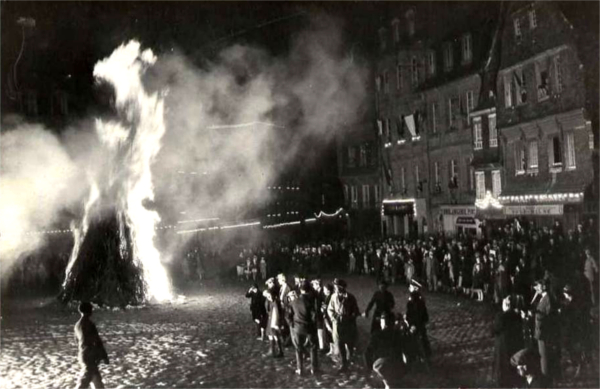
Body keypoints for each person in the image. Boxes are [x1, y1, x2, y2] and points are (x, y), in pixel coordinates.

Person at [529, 279, 561, 385]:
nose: (535, 288)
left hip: (544, 335)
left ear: (543, 287)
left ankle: (546, 381)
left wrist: (535, 316)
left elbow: (549, 318)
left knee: (544, 359)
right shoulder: (544, 297)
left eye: (537, 286)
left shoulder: (548, 299)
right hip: (542, 333)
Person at [364, 312, 406, 389]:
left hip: (382, 367)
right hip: (398, 367)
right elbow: (405, 353)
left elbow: (367, 353)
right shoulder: (398, 334)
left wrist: (370, 369)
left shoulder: (377, 335)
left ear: (383, 322)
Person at [328, 278, 361, 372]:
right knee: (340, 344)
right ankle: (344, 364)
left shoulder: (350, 297)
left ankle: (349, 360)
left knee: (350, 345)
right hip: (337, 326)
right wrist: (334, 318)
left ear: (341, 287)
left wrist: (351, 316)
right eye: (334, 287)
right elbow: (330, 309)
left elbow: (356, 310)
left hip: (348, 325)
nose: (335, 288)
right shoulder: (333, 297)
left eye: (336, 287)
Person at [75, 302, 109, 389]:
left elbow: (77, 341)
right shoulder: (90, 324)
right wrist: (104, 356)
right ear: (89, 311)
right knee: (84, 382)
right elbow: (97, 341)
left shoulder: (77, 325)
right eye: (91, 309)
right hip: (90, 355)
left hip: (82, 354)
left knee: (97, 381)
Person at [288, 281, 320, 375]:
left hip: (298, 328)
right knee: (313, 347)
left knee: (298, 348)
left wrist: (292, 324)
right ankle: (314, 368)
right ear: (309, 290)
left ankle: (300, 368)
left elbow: (288, 315)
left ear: (300, 290)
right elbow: (314, 316)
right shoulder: (311, 301)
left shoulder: (294, 302)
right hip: (309, 328)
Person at [492, 296, 524, 388]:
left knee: (502, 368)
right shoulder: (516, 315)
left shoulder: (501, 316)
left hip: (503, 348)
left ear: (506, 304)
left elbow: (493, 330)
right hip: (514, 346)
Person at [405, 279, 431, 362]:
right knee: (423, 338)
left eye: (411, 287)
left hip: (415, 325)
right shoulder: (421, 300)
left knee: (412, 339)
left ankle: (415, 355)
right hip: (420, 324)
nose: (409, 288)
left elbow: (410, 314)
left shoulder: (412, 301)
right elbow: (425, 316)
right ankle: (426, 354)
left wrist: (411, 323)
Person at [264, 288, 284, 358]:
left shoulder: (276, 303)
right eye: (267, 297)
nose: (268, 298)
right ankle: (272, 350)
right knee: (270, 335)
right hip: (271, 319)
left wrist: (276, 324)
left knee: (275, 335)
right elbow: (267, 309)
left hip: (274, 321)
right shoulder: (270, 301)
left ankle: (279, 351)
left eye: (269, 296)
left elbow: (277, 314)